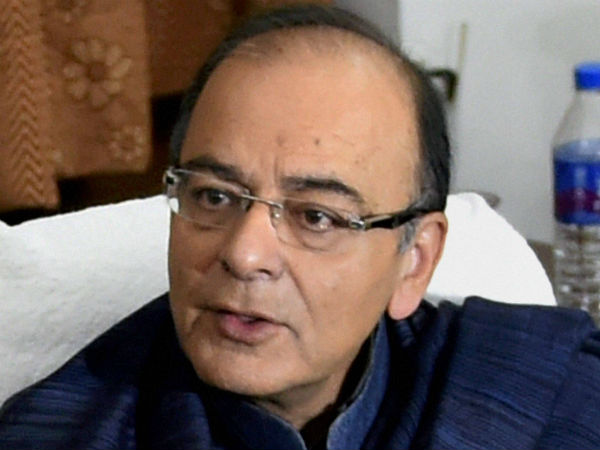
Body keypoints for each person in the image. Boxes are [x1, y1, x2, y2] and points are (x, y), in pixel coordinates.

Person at [1, 4, 599, 449]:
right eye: (214, 196)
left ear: (414, 261)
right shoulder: (63, 432)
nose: (245, 254)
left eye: (316, 216)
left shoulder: (543, 394)